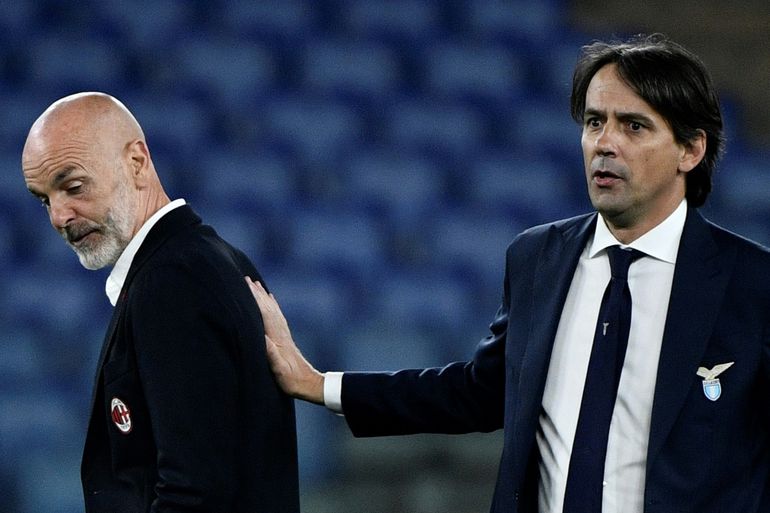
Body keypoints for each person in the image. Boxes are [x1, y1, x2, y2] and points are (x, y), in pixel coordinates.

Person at [246, 34, 770, 513]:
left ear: (690, 149)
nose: (604, 144)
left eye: (633, 126)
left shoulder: (754, 284)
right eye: (594, 122)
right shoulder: (538, 258)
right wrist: (320, 385)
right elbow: (477, 392)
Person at [22, 92, 299, 513]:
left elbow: (194, 494)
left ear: (137, 162)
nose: (59, 217)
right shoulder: (213, 258)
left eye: (73, 187)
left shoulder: (172, 281)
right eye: (45, 199)